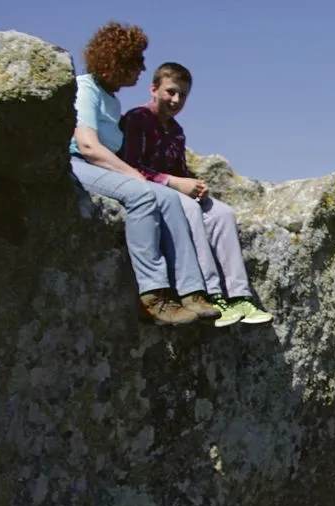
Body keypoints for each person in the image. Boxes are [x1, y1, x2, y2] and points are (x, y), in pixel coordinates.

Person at [68, 22, 220, 326]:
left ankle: (191, 291)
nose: (141, 70)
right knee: (144, 193)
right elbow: (87, 145)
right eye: (136, 62)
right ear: (116, 60)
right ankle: (153, 295)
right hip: (78, 164)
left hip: (100, 168)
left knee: (168, 198)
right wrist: (133, 175)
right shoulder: (85, 88)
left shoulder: (111, 99)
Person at [118, 62, 272, 328]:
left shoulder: (176, 131)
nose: (176, 100)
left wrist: (195, 185)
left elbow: (179, 169)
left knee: (223, 213)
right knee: (188, 209)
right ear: (153, 89)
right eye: (170, 92)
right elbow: (130, 166)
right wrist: (174, 182)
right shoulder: (137, 119)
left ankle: (238, 297)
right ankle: (211, 294)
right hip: (151, 192)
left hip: (175, 188)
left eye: (183, 95)